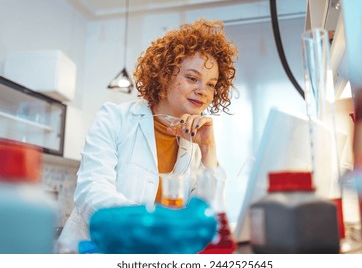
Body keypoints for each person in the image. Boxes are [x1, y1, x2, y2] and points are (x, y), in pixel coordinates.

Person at [57, 18, 238, 252]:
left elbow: (208, 218)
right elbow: (92, 194)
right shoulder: (115, 118)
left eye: (211, 84)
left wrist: (208, 152)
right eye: (192, 78)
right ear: (164, 75)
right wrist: (153, 226)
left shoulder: (194, 144)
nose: (203, 91)